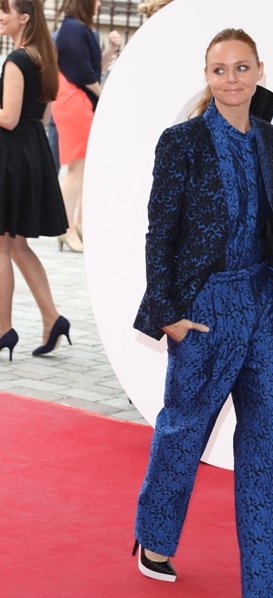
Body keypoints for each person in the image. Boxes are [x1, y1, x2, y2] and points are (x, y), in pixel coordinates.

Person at [132, 28, 273, 598]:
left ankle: (267, 582)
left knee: (266, 439)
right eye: (220, 69)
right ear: (207, 76)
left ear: (260, 71)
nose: (231, 79)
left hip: (262, 303)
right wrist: (167, 313)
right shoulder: (181, 142)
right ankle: (153, 536)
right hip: (205, 309)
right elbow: (160, 232)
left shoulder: (271, 138)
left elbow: (270, 224)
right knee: (185, 427)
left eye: (242, 68)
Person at [0, 0, 72, 360]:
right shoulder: (44, 58)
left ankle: (3, 329)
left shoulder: (17, 60)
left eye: (5, 10)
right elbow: (41, 119)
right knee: (16, 245)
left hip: (11, 155)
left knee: (2, 246)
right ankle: (52, 318)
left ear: (24, 17)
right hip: (32, 151)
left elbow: (8, 118)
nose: (0, 16)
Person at [52, 0, 121, 253]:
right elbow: (83, 75)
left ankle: (75, 224)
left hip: (79, 101)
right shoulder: (73, 30)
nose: (100, 3)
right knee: (76, 168)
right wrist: (105, 98)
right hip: (74, 101)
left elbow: (94, 70)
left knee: (81, 168)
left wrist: (111, 48)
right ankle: (65, 226)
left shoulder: (83, 30)